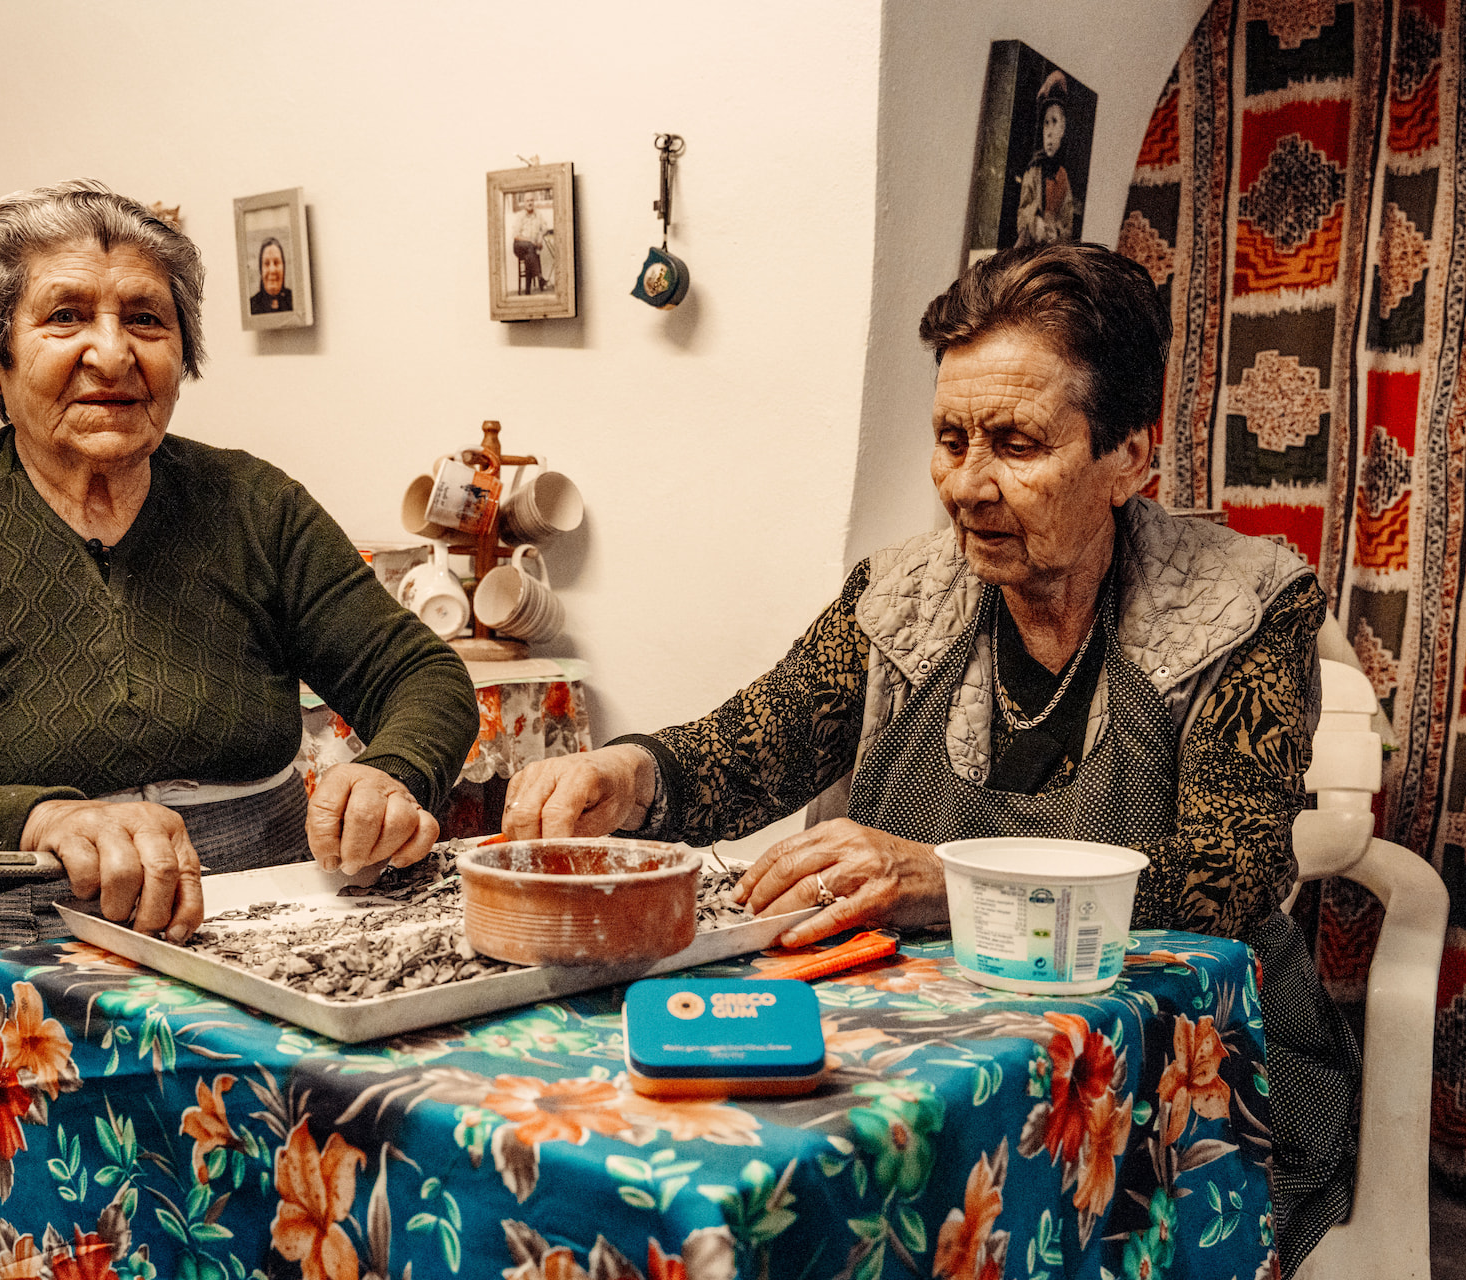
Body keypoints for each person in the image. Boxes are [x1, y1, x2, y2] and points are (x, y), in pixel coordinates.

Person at [502, 242, 1358, 1275]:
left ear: (1131, 455)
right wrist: (630, 772)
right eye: (950, 437)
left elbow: (1223, 882)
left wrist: (943, 876)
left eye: (1016, 441)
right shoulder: (902, 593)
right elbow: (747, 749)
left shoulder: (1247, 603)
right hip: (939, 1053)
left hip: (1191, 1074)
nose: (966, 484)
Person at [0, 179, 479, 1096]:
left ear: (183, 356)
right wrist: (51, 819)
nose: (110, 353)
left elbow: (420, 672)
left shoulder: (251, 505)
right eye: (66, 316)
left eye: (147, 322)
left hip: (250, 968)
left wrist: (394, 771)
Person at [1015, 70, 1078, 248]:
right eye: (1046, 123)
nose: (1049, 132)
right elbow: (1024, 208)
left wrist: (1056, 231)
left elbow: (1067, 218)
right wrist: (1036, 223)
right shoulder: (1034, 170)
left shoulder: (1062, 175)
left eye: (1055, 122)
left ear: (1063, 130)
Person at [511, 195, 548, 293]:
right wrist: (530, 240)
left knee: (529, 255)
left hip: (531, 247)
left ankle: (528, 290)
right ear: (524, 203)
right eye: (527, 201)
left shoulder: (538, 214)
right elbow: (515, 235)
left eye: (531, 200)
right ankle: (540, 278)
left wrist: (540, 238)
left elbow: (544, 228)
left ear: (534, 202)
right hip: (519, 246)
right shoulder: (520, 216)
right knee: (531, 247)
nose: (530, 203)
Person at [248, 237, 293, 314]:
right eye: (266, 263)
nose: (272, 270)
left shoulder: (295, 301)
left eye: (276, 262)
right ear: (261, 270)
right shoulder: (251, 306)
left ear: (283, 267)